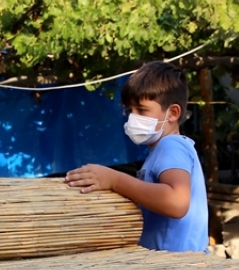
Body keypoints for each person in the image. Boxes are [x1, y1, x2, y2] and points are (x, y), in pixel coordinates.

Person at [64, 61, 208, 252]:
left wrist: (114, 180)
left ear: (173, 113)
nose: (133, 117)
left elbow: (177, 202)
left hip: (177, 266)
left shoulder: (170, 146)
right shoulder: (161, 151)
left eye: (142, 110)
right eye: (130, 110)